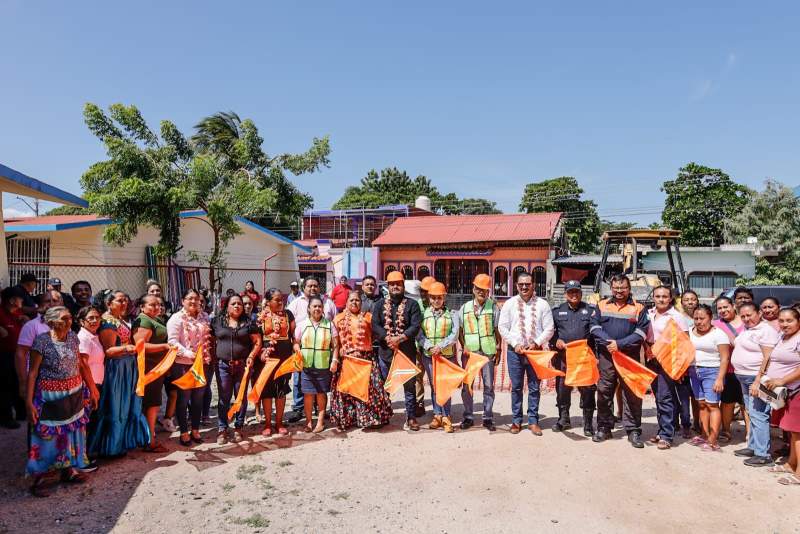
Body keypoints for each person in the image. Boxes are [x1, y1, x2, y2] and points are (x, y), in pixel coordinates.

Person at [25, 306, 98, 497]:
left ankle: (68, 470)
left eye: (69, 318)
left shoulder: (73, 337)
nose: (69, 321)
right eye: (64, 319)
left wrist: (92, 387)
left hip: (74, 392)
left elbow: (81, 364)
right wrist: (29, 402)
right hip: (50, 396)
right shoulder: (42, 342)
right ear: (51, 322)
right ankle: (41, 477)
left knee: (72, 432)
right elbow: (32, 373)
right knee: (48, 436)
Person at [590, 274, 650, 448]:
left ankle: (633, 430)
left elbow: (641, 333)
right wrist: (610, 344)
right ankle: (604, 427)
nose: (619, 291)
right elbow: (594, 327)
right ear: (611, 288)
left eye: (622, 288)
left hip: (629, 358)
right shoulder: (601, 305)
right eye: (615, 288)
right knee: (604, 391)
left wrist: (620, 344)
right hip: (607, 357)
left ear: (629, 289)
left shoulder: (639, 308)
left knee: (632, 393)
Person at [90, 291, 150, 457]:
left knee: (127, 405)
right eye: (119, 300)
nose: (124, 303)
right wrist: (126, 348)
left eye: (126, 300)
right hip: (117, 368)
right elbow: (108, 351)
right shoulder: (108, 322)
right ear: (109, 303)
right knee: (117, 406)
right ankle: (112, 447)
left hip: (127, 366)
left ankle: (124, 441)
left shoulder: (120, 319)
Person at [498, 271, 555, 436]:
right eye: (521, 284)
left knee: (534, 387)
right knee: (515, 387)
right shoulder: (509, 304)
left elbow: (549, 328)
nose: (524, 287)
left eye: (527, 284)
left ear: (533, 285)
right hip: (515, 352)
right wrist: (515, 344)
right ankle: (516, 421)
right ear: (516, 285)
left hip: (535, 353)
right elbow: (503, 327)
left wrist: (536, 343)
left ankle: (533, 421)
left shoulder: (543, 304)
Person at [331, 291, 393, 430]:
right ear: (346, 302)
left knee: (371, 391)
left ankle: (372, 419)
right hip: (347, 361)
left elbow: (380, 332)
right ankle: (347, 420)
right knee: (347, 391)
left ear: (361, 302)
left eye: (357, 300)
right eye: (351, 300)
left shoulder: (368, 317)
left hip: (366, 359)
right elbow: (334, 341)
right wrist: (338, 352)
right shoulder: (338, 319)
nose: (354, 303)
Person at [730, 302, 780, 467]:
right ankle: (753, 447)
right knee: (752, 412)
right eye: (743, 316)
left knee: (759, 415)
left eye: (749, 315)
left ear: (759, 313)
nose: (746, 319)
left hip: (755, 378)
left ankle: (763, 454)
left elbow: (768, 357)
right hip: (744, 377)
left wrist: (758, 380)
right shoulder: (748, 329)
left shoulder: (766, 331)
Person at [371, 271, 422, 431]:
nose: (395, 287)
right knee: (386, 385)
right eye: (392, 284)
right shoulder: (379, 304)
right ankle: (384, 414)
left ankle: (411, 417)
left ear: (403, 285)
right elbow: (375, 325)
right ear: (387, 286)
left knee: (409, 386)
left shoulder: (413, 304)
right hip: (385, 353)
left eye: (398, 284)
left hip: (406, 353)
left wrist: (399, 338)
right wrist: (387, 337)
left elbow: (415, 326)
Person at [550, 280, 600, 436]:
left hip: (585, 359)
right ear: (565, 294)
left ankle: (587, 424)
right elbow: (551, 332)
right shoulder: (557, 311)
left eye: (576, 292)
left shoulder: (591, 310)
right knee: (563, 389)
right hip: (564, 358)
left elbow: (596, 334)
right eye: (570, 292)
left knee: (588, 390)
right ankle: (563, 419)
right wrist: (555, 341)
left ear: (581, 293)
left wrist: (597, 357)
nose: (574, 295)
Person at [211, 294, 261, 444]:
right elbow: (211, 340)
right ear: (227, 306)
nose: (237, 306)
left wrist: (252, 356)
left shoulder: (249, 323)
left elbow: (257, 341)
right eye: (233, 303)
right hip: (223, 367)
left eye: (239, 303)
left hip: (242, 367)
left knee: (241, 398)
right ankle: (222, 429)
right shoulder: (217, 322)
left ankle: (238, 427)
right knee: (223, 398)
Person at [645, 286, 690, 449]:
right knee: (658, 397)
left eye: (665, 296)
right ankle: (662, 430)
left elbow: (684, 342)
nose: (661, 299)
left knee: (665, 397)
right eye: (658, 296)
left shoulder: (677, 317)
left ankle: (666, 435)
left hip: (667, 360)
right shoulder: (648, 314)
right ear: (653, 298)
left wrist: (681, 367)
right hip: (651, 360)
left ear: (671, 298)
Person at [286, 277, 336, 422]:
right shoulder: (295, 304)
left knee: (321, 385)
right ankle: (298, 409)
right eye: (309, 286)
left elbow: (335, 320)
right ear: (303, 288)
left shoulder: (328, 303)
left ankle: (318, 410)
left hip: (322, 353)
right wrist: (295, 348)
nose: (313, 288)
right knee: (299, 381)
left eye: (315, 286)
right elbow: (289, 324)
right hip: (302, 350)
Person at [166, 288, 211, 446]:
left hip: (201, 364)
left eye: (196, 299)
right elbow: (172, 342)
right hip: (183, 364)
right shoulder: (176, 318)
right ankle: (184, 432)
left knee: (198, 398)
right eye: (190, 298)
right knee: (184, 399)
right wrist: (187, 353)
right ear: (183, 301)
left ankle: (196, 430)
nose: (193, 301)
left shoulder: (204, 317)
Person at [459, 273, 501, 432]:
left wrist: (499, 348)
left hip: (488, 352)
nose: (481, 292)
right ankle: (468, 416)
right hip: (470, 354)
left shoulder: (494, 307)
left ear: (488, 291)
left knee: (489, 386)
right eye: (478, 288)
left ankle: (488, 417)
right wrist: (464, 346)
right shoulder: (465, 308)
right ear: (473, 288)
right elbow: (460, 331)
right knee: (467, 385)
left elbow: (497, 330)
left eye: (484, 289)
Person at [763, 307, 800, 485]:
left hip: (797, 390)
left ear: (798, 321)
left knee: (798, 433)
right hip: (787, 393)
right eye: (782, 321)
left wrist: (782, 380)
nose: (785, 324)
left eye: (789, 321)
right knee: (793, 433)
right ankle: (791, 464)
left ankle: (799, 473)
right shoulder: (782, 336)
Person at [417, 282, 460, 433]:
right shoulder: (423, 314)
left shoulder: (452, 314)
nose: (436, 301)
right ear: (429, 298)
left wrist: (440, 347)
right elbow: (419, 334)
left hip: (445, 356)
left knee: (445, 386)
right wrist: (429, 346)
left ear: (444, 298)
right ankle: (437, 415)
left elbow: (454, 335)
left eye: (439, 298)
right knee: (435, 386)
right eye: (433, 298)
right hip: (429, 356)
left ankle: (446, 416)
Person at [688, 304, 731, 452]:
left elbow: (725, 359)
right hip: (694, 371)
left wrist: (720, 378)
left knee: (712, 405)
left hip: (712, 372)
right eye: (696, 318)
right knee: (701, 404)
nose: (699, 322)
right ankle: (704, 434)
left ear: (710, 318)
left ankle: (713, 439)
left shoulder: (719, 334)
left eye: (702, 318)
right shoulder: (690, 332)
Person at [132, 295, 172, 452]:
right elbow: (140, 346)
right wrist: (164, 347)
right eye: (152, 305)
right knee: (151, 404)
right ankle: (150, 441)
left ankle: (150, 437)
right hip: (149, 368)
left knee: (153, 403)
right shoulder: (144, 321)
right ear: (142, 307)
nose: (156, 307)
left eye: (158, 305)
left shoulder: (155, 319)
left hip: (157, 368)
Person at [294, 296, 338, 433]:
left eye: (320, 306)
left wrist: (334, 360)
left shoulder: (329, 325)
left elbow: (336, 345)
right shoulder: (302, 325)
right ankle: (308, 422)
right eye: (314, 306)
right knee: (308, 394)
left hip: (323, 365)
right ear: (309, 308)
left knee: (321, 393)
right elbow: (295, 342)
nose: (317, 309)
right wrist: (298, 351)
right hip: (306, 366)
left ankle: (320, 422)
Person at [257, 289, 295, 436]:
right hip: (266, 358)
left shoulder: (288, 314)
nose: (281, 302)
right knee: (267, 391)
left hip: (284, 357)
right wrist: (260, 353)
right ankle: (267, 423)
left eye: (282, 299)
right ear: (268, 301)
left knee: (281, 389)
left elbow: (293, 335)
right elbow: (257, 339)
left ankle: (279, 422)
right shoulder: (261, 317)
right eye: (277, 300)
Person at [15, 290, 62, 409]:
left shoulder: (66, 325)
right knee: (39, 419)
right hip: (38, 382)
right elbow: (21, 354)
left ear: (62, 303)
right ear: (40, 305)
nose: (51, 304)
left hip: (62, 382)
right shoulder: (31, 326)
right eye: (47, 301)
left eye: (55, 300)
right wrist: (23, 382)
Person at [713, 295, 746, 442]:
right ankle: (726, 431)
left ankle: (750, 434)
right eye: (719, 308)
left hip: (747, 369)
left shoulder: (746, 320)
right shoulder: (715, 324)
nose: (722, 310)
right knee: (727, 402)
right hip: (728, 369)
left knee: (747, 404)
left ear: (733, 306)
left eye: (725, 307)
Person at [76, 305, 104, 446]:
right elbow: (83, 364)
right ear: (82, 321)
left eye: (97, 317)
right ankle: (83, 457)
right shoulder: (84, 338)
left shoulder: (93, 336)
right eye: (90, 318)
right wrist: (92, 389)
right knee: (84, 423)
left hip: (94, 384)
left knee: (90, 421)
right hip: (87, 386)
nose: (94, 320)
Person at [0, 286, 28, 428]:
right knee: (6, 385)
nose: (22, 300)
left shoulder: (18, 313)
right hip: (4, 356)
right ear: (12, 300)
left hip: (18, 354)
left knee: (18, 382)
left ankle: (22, 412)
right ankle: (6, 418)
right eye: (20, 298)